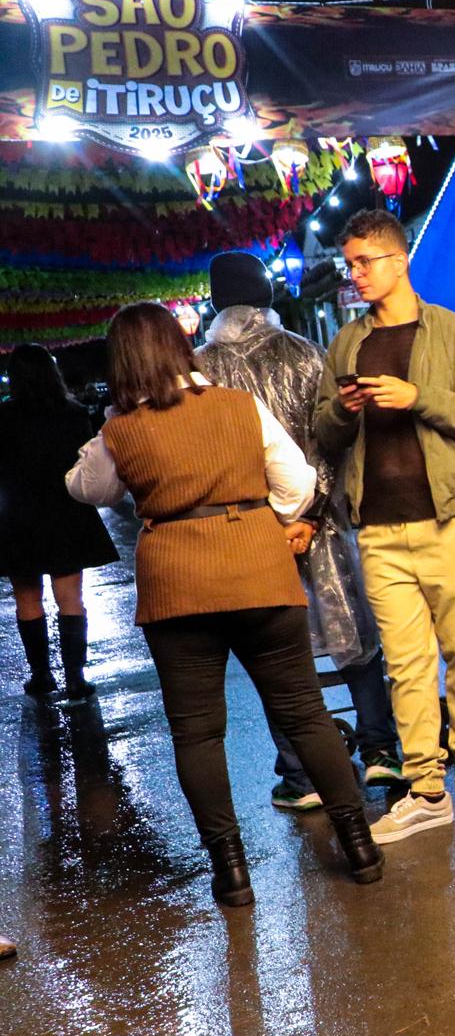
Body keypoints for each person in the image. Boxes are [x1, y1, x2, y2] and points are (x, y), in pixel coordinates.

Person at [65, 302, 381, 905]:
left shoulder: (119, 431)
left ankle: (231, 872)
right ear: (180, 348)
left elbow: (87, 488)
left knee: (198, 733)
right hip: (259, 571)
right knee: (304, 712)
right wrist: (265, 523)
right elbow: (297, 484)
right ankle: (359, 844)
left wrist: (110, 425)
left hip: (176, 584)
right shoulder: (241, 406)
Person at [312, 209, 455, 845]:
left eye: (365, 262)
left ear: (399, 261)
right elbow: (324, 433)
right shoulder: (347, 343)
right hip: (378, 528)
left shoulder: (451, 331)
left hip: (451, 519)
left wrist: (417, 397)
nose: (356, 274)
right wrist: (344, 412)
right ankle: (426, 788)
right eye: (350, 264)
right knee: (406, 664)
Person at [195, 252, 404, 811]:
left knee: (275, 653)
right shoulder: (308, 354)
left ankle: (300, 773)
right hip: (320, 522)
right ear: (267, 294)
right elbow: (331, 440)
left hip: (246, 529)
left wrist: (266, 517)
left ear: (216, 300)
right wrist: (309, 515)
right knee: (354, 634)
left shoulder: (200, 370)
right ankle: (381, 748)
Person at [0, 343, 118, 701]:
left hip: (18, 516)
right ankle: (75, 678)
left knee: (27, 600)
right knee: (70, 598)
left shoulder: (3, 417)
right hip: (66, 512)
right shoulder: (73, 413)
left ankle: (41, 676)